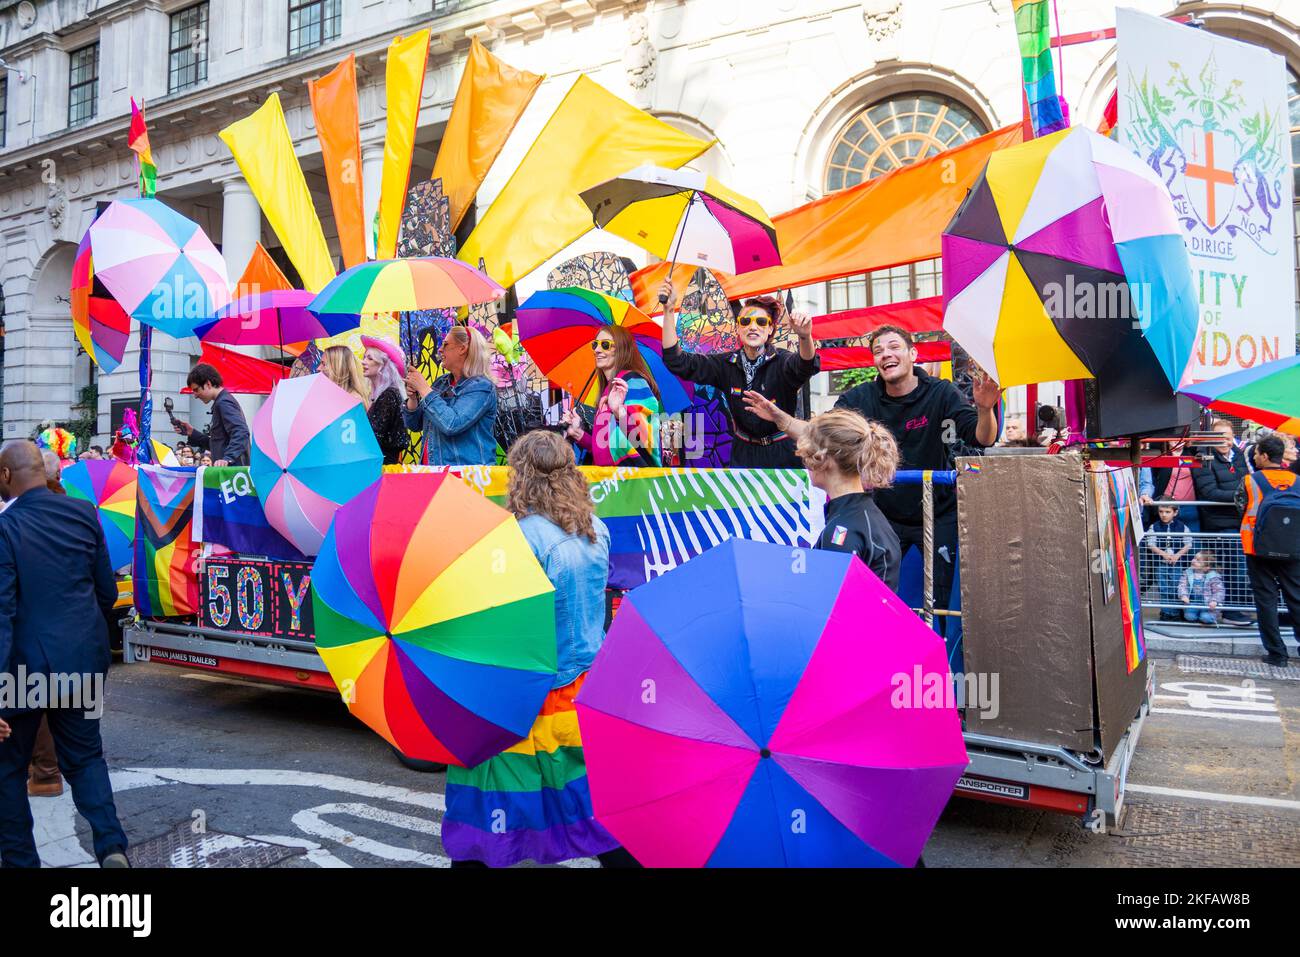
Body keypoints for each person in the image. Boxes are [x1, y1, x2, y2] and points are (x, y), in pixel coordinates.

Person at [442, 430, 634, 868]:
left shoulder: (519, 538)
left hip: (528, 695)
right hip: (584, 689)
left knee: (493, 804)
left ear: (521, 477)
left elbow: (507, 624)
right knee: (591, 805)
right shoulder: (595, 530)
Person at [746, 325, 999, 627]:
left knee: (939, 601)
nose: (886, 355)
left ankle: (936, 661)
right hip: (883, 513)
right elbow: (821, 432)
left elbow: (982, 438)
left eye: (893, 347)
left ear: (912, 354)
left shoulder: (941, 392)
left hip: (936, 513)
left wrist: (985, 409)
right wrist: (780, 418)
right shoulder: (862, 397)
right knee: (871, 595)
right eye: (878, 351)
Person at [0, 440, 129, 868]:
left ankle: (21, 861)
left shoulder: (6, 527)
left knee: (7, 768)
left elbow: (3, 611)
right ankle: (111, 847)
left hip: (22, 667)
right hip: (81, 658)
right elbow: (107, 592)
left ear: (6, 475)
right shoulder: (83, 513)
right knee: (87, 757)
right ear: (46, 471)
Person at [659, 282, 819, 468]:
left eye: (761, 322)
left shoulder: (782, 362)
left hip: (783, 455)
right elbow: (677, 361)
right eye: (745, 321)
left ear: (770, 330)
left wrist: (805, 337)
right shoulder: (725, 364)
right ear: (738, 329)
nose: (753, 327)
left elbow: (805, 365)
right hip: (743, 456)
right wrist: (669, 311)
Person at [799, 409, 902, 591]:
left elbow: (831, 603)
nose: (805, 463)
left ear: (824, 459)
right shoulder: (863, 516)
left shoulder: (843, 529)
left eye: (808, 453)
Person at [1236, 434, 1300, 666]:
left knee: (1266, 600)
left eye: (1256, 453)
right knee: (1297, 598)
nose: (1254, 457)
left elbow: (1240, 506)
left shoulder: (1250, 481)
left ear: (1264, 455)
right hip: (1293, 548)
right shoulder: (1297, 480)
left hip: (1257, 548)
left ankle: (1277, 653)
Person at [563, 325, 663, 467]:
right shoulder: (609, 389)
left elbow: (646, 441)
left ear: (622, 349)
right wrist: (578, 433)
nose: (597, 350)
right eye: (595, 344)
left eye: (605, 345)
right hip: (611, 482)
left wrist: (619, 413)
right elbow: (606, 448)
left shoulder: (633, 383)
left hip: (631, 483)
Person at [403, 325, 498, 466]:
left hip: (466, 477)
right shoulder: (441, 383)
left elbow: (452, 424)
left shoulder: (481, 387)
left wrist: (424, 389)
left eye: (446, 344)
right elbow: (415, 425)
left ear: (463, 348)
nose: (440, 349)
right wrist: (413, 399)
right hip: (434, 472)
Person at [1194, 418, 1250, 624]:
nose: (1225, 442)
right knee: (1234, 565)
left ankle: (1238, 606)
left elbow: (1247, 482)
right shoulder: (1204, 459)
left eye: (1227, 437)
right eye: (1219, 438)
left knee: (1240, 565)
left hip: (1242, 521)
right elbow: (1209, 491)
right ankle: (1231, 611)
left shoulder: (1240, 457)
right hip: (1219, 523)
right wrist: (1240, 496)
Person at [175, 363, 251, 467]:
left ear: (208, 384)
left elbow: (242, 432)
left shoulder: (223, 402)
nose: (195, 395)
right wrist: (192, 433)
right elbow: (218, 444)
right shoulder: (222, 401)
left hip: (231, 474)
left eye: (196, 390)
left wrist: (228, 458)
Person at [360, 337, 410, 465]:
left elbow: (373, 438)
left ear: (383, 366)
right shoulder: (381, 395)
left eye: (370, 358)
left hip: (383, 468)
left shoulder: (389, 396)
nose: (363, 362)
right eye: (364, 357)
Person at [1146, 497, 1192, 622]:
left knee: (1176, 586)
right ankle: (1166, 612)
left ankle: (1176, 612)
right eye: (1161, 512)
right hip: (1162, 564)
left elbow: (1188, 543)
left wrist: (1177, 555)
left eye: (1167, 512)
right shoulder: (1154, 527)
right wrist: (1163, 554)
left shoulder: (1182, 527)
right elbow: (1151, 543)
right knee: (1163, 587)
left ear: (1175, 512)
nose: (1164, 515)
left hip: (1177, 564)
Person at [1139, 440, 1201, 532]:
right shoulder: (1161, 456)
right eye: (1173, 438)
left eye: (1180, 438)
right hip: (1167, 506)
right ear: (1167, 440)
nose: (1177, 440)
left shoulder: (1192, 455)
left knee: (1193, 538)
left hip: (1189, 506)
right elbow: (1152, 479)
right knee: (1166, 540)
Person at [1178, 550, 1225, 625]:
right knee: (1189, 617)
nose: (1193, 561)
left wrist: (1214, 601)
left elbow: (1219, 591)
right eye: (1194, 558)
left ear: (1207, 567)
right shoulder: (1188, 572)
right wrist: (1183, 595)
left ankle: (1207, 617)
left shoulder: (1213, 576)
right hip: (1192, 603)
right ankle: (1197, 616)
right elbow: (1182, 585)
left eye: (1198, 561)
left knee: (1206, 618)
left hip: (1208, 605)